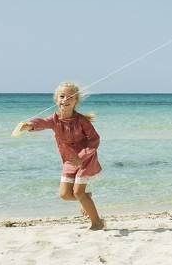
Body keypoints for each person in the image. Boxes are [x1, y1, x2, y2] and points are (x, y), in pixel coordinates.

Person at [16, 81, 105, 230]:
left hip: (85, 160)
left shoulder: (82, 121)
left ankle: (97, 222)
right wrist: (29, 125)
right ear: (56, 99)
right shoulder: (54, 119)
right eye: (62, 96)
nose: (65, 99)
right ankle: (86, 197)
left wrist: (82, 156)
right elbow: (42, 122)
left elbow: (94, 140)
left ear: (76, 101)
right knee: (65, 195)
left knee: (78, 192)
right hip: (69, 160)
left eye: (70, 97)